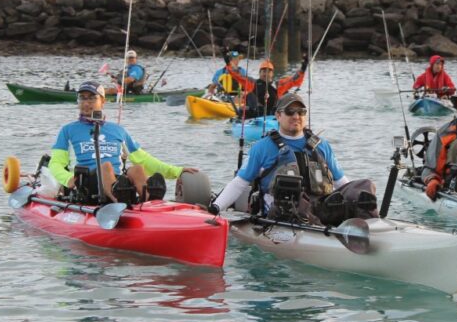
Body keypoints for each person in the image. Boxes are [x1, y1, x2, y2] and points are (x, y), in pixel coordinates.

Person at [208, 93, 378, 226]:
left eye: (301, 112)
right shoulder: (261, 148)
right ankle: (325, 230)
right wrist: (215, 208)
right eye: (290, 112)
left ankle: (370, 225)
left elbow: (342, 182)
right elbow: (239, 183)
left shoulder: (322, 145)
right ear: (278, 115)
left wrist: (354, 199)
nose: (296, 116)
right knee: (294, 195)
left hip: (319, 206)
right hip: (284, 209)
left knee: (363, 186)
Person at [49, 80, 198, 204]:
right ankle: (116, 199)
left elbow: (144, 159)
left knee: (137, 169)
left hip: (120, 183)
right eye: (82, 98)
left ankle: (149, 201)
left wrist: (177, 171)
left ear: (103, 101)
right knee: (106, 167)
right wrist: (68, 179)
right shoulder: (68, 131)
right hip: (87, 184)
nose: (86, 103)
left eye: (92, 98)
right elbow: (55, 164)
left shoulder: (118, 130)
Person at [226, 56, 308, 117]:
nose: (266, 74)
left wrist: (303, 68)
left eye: (269, 72)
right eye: (263, 71)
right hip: (255, 115)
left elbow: (294, 80)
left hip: (273, 115)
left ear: (272, 74)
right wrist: (228, 62)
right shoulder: (252, 83)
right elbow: (237, 75)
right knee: (242, 109)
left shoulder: (279, 85)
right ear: (259, 73)